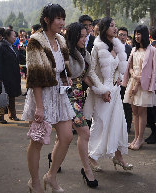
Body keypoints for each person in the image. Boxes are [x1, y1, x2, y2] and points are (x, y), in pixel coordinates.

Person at [22, 4, 75, 193]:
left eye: (63, 18)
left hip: (59, 93)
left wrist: (69, 84)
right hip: (41, 95)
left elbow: (64, 69)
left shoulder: (61, 40)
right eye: (58, 18)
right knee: (37, 141)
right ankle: (34, 181)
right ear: (47, 20)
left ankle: (50, 176)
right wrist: (39, 107)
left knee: (67, 136)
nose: (62, 22)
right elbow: (35, 76)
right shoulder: (35, 41)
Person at [84, 17, 133, 171]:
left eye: (115, 26)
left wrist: (118, 78)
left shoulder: (117, 46)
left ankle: (119, 157)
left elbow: (118, 66)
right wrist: (101, 90)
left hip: (115, 91)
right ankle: (91, 156)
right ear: (104, 28)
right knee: (100, 124)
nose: (115, 28)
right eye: (111, 26)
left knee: (117, 124)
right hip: (102, 92)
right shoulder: (97, 47)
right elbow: (90, 71)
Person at [65, 22, 98, 188]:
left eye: (87, 35)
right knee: (85, 132)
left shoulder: (84, 53)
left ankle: (52, 157)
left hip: (80, 98)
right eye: (82, 36)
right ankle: (87, 170)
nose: (86, 39)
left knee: (63, 137)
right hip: (67, 98)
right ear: (73, 36)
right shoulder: (65, 54)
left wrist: (99, 90)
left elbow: (85, 77)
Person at [123, 25, 156, 150]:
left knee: (141, 111)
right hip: (133, 82)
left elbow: (155, 70)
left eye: (139, 34)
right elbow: (130, 66)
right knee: (134, 111)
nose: (137, 36)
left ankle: (140, 138)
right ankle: (135, 138)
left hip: (144, 85)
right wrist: (133, 74)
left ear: (145, 35)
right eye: (136, 34)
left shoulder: (153, 50)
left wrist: (145, 82)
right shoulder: (134, 50)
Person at [0, 29, 23, 123]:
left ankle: (12, 114)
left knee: (12, 95)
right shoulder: (1, 47)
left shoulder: (13, 47)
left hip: (13, 76)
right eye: (13, 36)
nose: (15, 38)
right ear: (7, 36)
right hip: (4, 76)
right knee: (2, 96)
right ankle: (0, 116)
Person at [118, 27, 133, 133]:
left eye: (124, 35)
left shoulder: (130, 49)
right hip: (115, 80)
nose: (122, 37)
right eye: (120, 35)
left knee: (126, 104)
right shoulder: (112, 48)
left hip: (126, 80)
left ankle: (127, 125)